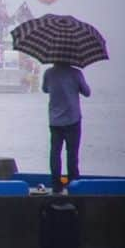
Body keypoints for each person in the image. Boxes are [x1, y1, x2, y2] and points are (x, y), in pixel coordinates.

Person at [42, 60, 91, 193]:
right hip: (73, 119)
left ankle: (56, 185)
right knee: (72, 154)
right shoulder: (76, 73)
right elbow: (87, 92)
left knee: (55, 153)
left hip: (55, 120)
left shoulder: (49, 73)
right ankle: (73, 183)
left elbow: (45, 89)